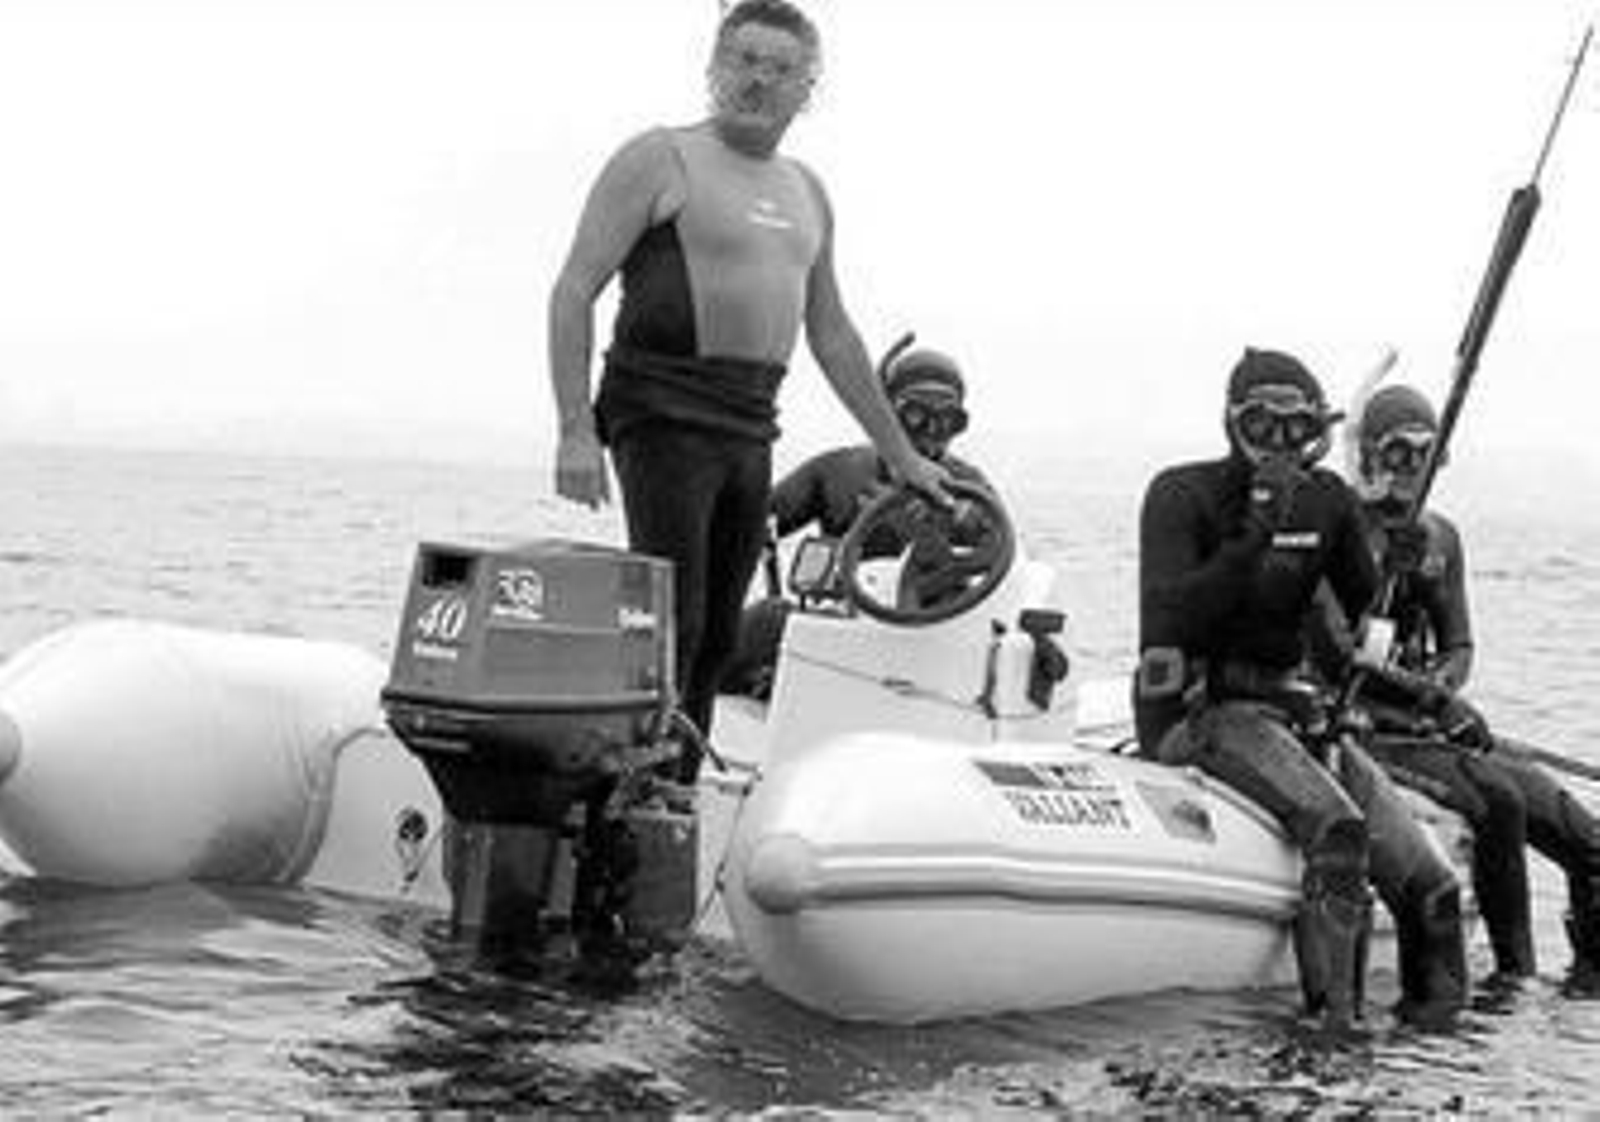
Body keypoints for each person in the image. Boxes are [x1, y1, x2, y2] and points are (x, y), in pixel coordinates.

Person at [546, 0, 948, 782]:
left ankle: (675, 790)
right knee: (677, 619)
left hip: (748, 420)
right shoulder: (658, 158)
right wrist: (573, 430)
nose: (758, 80)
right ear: (713, 69)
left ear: (809, 87)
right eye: (743, 61)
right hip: (659, 408)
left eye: (779, 67)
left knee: (721, 634)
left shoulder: (808, 191)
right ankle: (635, 792)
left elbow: (832, 334)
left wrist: (902, 457)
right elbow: (572, 290)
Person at [1133, 347, 1468, 1030]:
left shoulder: (1327, 500)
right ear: (1233, 423)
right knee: (1338, 831)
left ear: (1318, 430)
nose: (1280, 446)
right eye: (1263, 425)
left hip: (1293, 714)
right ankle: (1331, 1043)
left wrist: (1402, 577)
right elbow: (1174, 616)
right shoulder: (1181, 495)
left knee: (1431, 887)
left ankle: (1435, 1047)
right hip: (1203, 710)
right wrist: (1254, 535)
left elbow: (1367, 618)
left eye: (1298, 430)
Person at [1313, 382, 1600, 990]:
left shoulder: (1441, 538)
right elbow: (1338, 657)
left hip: (1431, 726)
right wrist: (1434, 702)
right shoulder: (1336, 530)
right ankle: (1512, 979)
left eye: (1426, 455)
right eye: (1396, 453)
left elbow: (1459, 645)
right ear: (1364, 454)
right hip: (1369, 728)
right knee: (1498, 802)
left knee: (1590, 842)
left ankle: (1587, 986)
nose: (1411, 471)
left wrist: (1441, 690)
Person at [720, 344, 991, 699]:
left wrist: (951, 528)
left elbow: (999, 561)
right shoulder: (838, 473)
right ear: (887, 412)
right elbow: (747, 528)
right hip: (840, 634)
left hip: (931, 642)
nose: (930, 431)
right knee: (768, 620)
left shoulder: (970, 490)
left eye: (947, 420)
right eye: (915, 414)